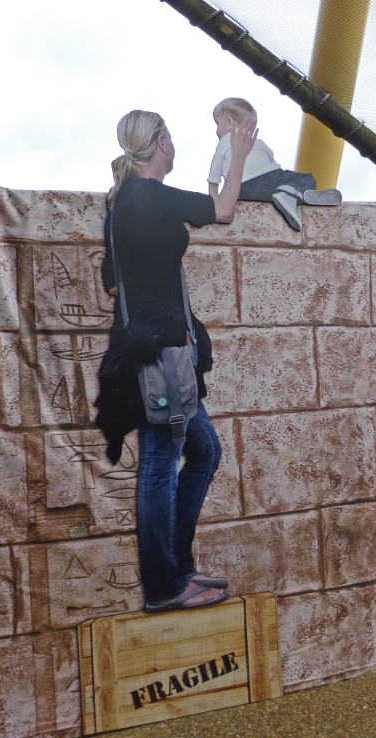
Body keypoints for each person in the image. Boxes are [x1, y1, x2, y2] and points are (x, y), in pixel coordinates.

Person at [94, 109, 256, 613]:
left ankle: (179, 568)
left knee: (203, 450)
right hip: (158, 353)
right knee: (161, 463)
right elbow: (224, 209)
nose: (174, 145)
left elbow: (113, 283)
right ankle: (164, 587)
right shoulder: (152, 197)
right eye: (171, 138)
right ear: (160, 143)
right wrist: (241, 155)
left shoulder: (122, 206)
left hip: (158, 351)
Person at [208, 97, 341, 231]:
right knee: (305, 179)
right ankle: (289, 194)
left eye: (217, 124)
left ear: (230, 122)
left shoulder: (223, 143)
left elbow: (214, 177)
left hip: (240, 191)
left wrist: (214, 203)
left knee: (283, 185)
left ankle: (292, 196)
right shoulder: (256, 142)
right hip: (267, 181)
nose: (216, 129)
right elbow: (272, 163)